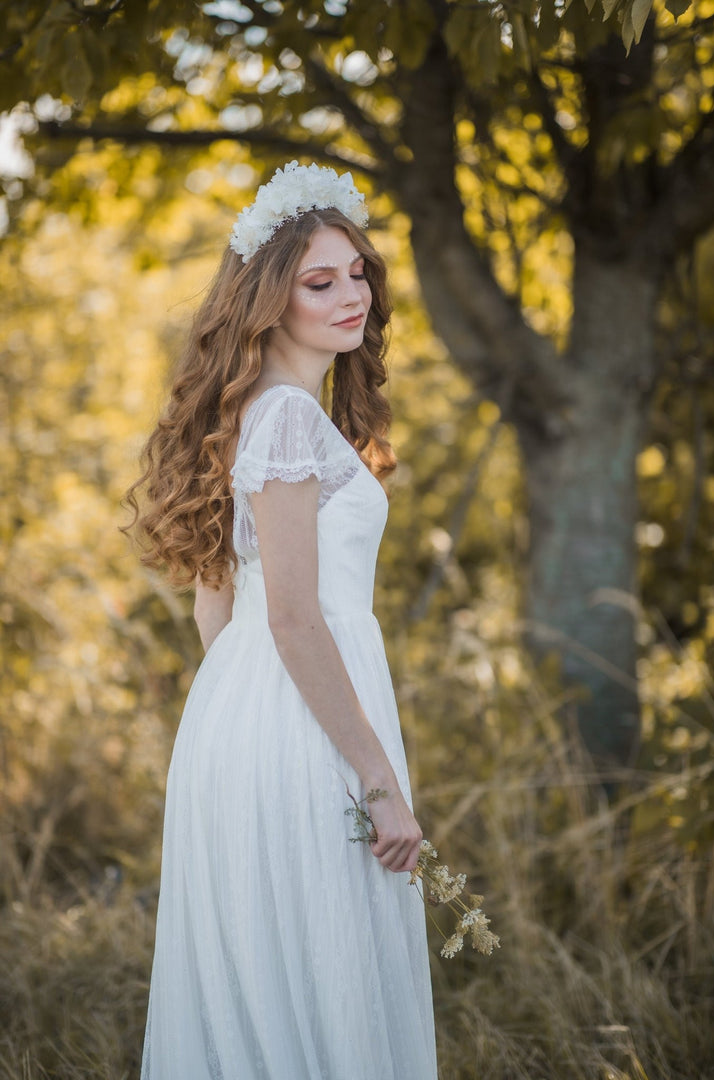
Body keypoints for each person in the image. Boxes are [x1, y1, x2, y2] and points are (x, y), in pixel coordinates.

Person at [125, 161, 437, 1079]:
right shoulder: (289, 420)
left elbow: (216, 605)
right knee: (324, 962)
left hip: (252, 712)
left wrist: (245, 719)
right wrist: (374, 775)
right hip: (307, 714)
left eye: (357, 274)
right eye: (319, 282)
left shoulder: (254, 413)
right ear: (269, 301)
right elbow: (296, 620)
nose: (352, 296)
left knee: (275, 968)